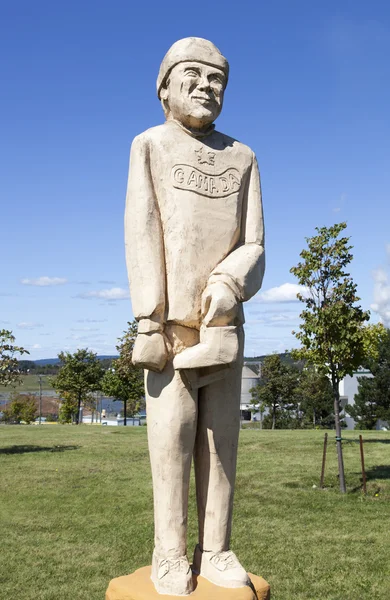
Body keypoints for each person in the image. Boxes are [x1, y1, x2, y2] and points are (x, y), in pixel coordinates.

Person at [125, 37, 265, 595]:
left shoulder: (244, 157)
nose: (208, 87)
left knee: (219, 446)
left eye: (218, 80)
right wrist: (148, 320)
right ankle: (170, 553)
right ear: (164, 87)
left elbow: (255, 241)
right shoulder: (150, 145)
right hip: (171, 334)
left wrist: (231, 282)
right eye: (194, 75)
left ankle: (218, 549)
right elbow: (143, 233)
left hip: (224, 334)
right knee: (170, 444)